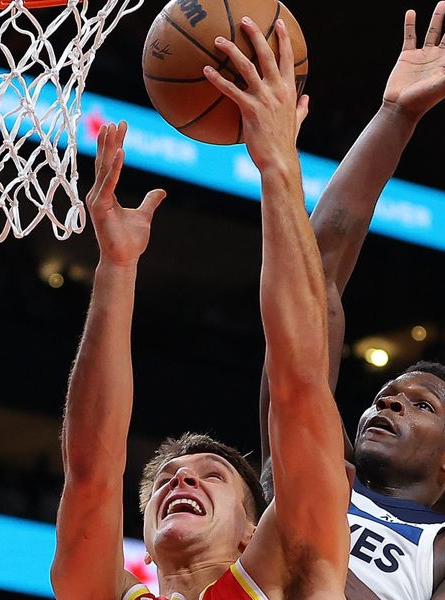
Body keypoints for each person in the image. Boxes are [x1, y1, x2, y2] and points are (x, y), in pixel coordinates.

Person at [51, 15, 349, 600]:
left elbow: (298, 382)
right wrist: (117, 267)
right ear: (142, 533)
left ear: (250, 533)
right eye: (166, 481)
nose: (181, 477)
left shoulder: (293, 574)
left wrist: (278, 166)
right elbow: (91, 475)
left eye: (210, 478)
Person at [257, 2, 445, 598]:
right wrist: (395, 116)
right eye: (387, 395)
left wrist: (304, 539)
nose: (390, 404)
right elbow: (313, 275)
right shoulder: (306, 466)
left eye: (422, 405)